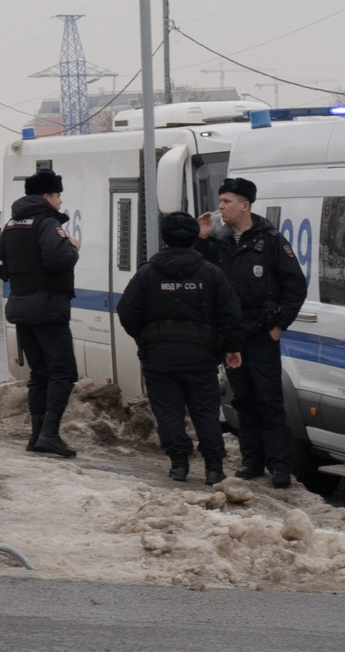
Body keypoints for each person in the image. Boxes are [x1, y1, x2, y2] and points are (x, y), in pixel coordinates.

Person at [118, 210, 247, 483]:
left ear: (164, 240)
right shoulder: (211, 273)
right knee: (206, 412)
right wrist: (231, 347)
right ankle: (214, 468)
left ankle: (179, 464)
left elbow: (127, 312)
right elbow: (231, 314)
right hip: (201, 357)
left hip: (159, 358)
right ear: (193, 240)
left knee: (167, 411)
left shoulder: (147, 274)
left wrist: (145, 340)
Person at [195, 177, 306, 488]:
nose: (220, 207)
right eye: (220, 201)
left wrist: (278, 325)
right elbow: (200, 271)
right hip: (233, 336)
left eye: (227, 201)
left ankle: (280, 466)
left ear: (245, 206)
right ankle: (252, 460)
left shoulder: (270, 240)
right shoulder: (220, 241)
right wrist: (202, 238)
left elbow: (295, 287)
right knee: (243, 400)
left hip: (260, 334)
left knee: (269, 400)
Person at [0, 167, 81, 458]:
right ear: (47, 196)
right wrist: (73, 247)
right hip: (48, 307)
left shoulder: (12, 223)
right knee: (63, 371)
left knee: (40, 373)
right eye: (58, 195)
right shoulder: (47, 222)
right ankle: (49, 434)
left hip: (22, 306)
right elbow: (59, 258)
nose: (60, 202)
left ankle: (36, 435)